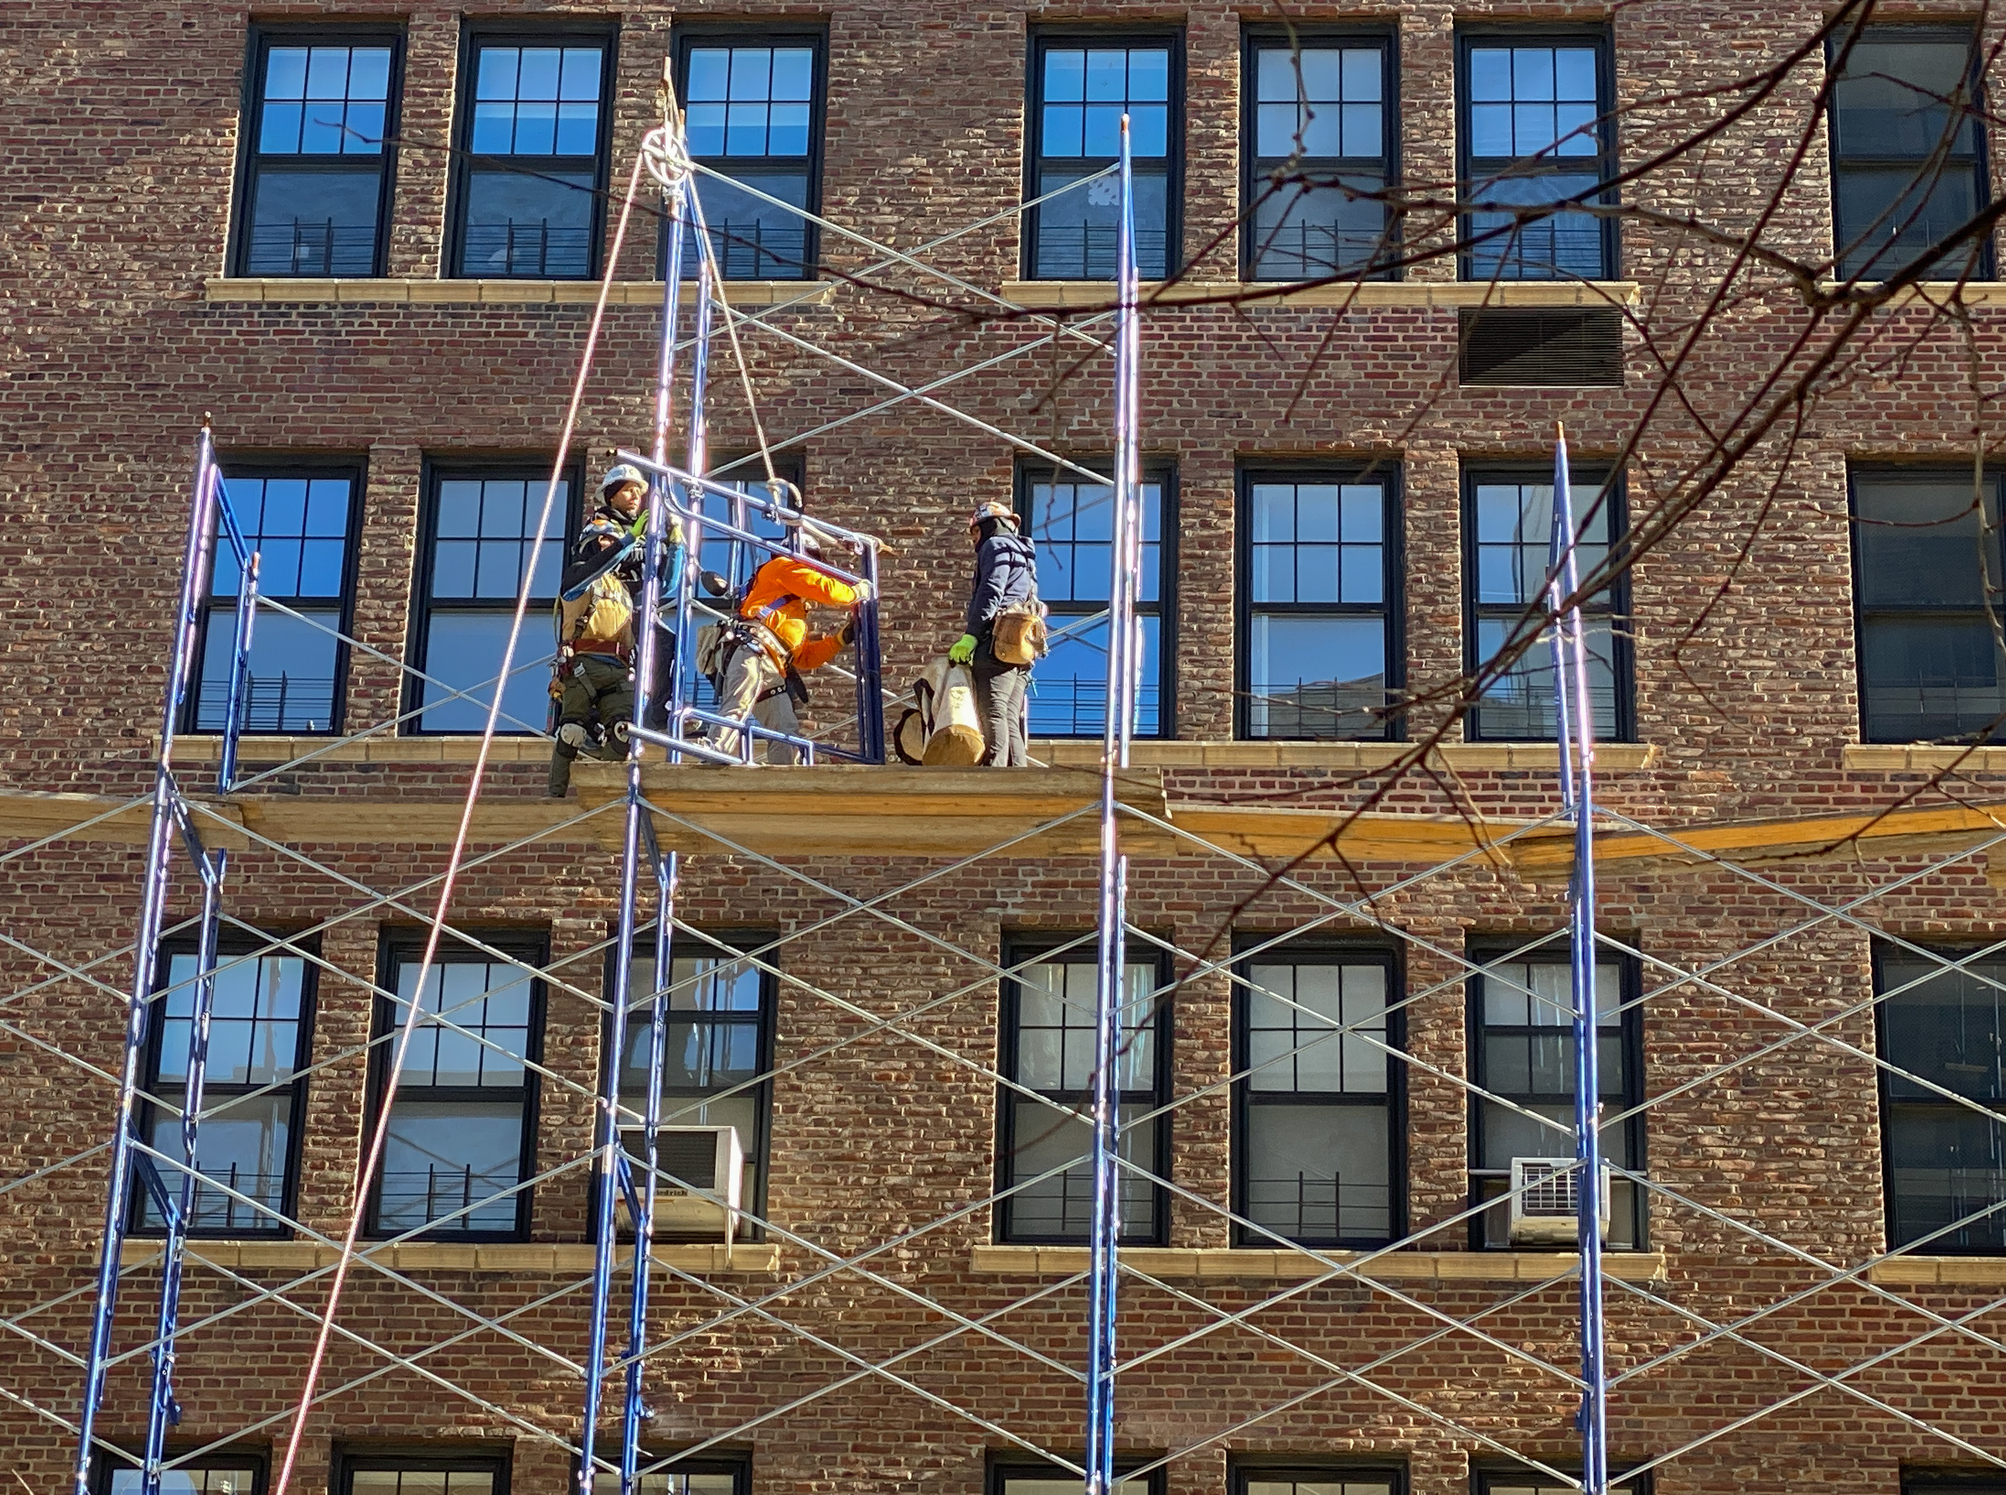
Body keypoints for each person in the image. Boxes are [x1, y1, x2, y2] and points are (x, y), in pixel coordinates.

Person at [547, 463, 682, 796]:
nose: (636, 495)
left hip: (619, 662)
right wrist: (632, 538)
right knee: (572, 732)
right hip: (583, 660)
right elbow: (602, 563)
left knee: (624, 729)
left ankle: (607, 787)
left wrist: (675, 543)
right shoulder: (583, 567)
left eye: (640, 491)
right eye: (627, 490)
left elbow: (665, 585)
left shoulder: (623, 588)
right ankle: (556, 791)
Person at [712, 532, 872, 764]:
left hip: (773, 666)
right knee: (738, 704)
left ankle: (784, 775)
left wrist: (839, 639)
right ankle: (715, 754)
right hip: (753, 650)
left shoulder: (791, 613)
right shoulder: (781, 566)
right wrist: (858, 592)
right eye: (813, 562)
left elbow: (803, 658)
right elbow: (822, 587)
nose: (816, 570)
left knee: (784, 728)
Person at [948, 498, 1038, 767]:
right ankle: (1016, 772)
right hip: (1022, 647)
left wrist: (972, 635)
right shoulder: (1026, 554)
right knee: (1010, 714)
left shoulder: (995, 545)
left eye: (976, 531)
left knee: (993, 711)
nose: (974, 539)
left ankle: (995, 772)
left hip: (996, 643)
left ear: (989, 526)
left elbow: (990, 592)